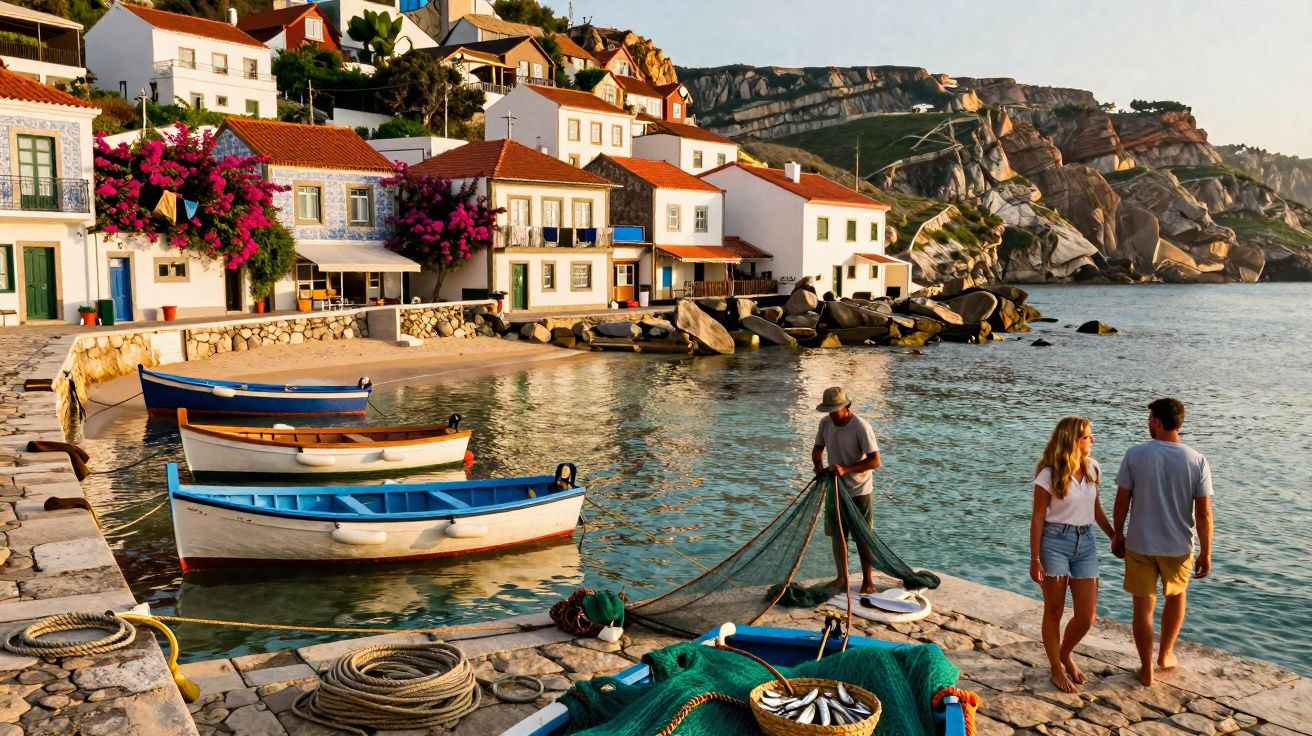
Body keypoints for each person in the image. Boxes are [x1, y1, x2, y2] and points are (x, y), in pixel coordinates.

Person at [1112, 398, 1214, 687]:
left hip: (1140, 543)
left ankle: (1146, 670)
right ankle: (1165, 655)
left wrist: (1118, 533)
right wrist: (1206, 551)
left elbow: (1122, 500)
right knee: (1176, 596)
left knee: (1143, 607)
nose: (1148, 423)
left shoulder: (1135, 454)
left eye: (1149, 419)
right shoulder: (1197, 460)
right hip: (1178, 546)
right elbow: (1204, 513)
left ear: (1157, 421)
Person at [1029, 416, 1115, 693]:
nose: (1093, 440)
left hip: (1086, 542)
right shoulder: (1048, 474)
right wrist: (1035, 558)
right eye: (1088, 436)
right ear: (1073, 440)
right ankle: (1056, 668)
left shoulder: (1093, 467)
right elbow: (1038, 518)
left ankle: (1065, 653)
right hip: (1054, 542)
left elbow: (1096, 509)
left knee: (1087, 615)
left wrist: (1114, 535)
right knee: (1053, 611)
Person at [811, 386, 882, 594]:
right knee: (838, 534)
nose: (831, 415)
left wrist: (847, 469)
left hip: (860, 490)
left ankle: (867, 582)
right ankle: (842, 577)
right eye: (828, 411)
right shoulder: (825, 423)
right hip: (835, 488)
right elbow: (817, 449)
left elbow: (875, 460)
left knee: (863, 536)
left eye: (835, 410)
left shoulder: (861, 427)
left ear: (846, 407)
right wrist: (818, 467)